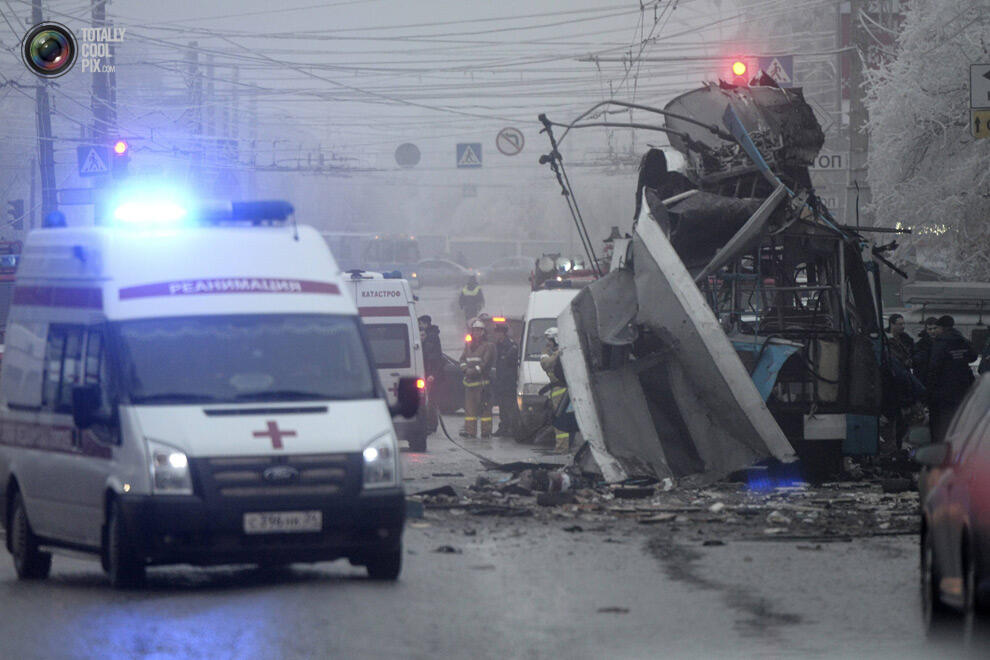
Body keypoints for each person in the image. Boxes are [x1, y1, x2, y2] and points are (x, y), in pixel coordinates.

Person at [925, 315, 977, 443]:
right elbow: (973, 356)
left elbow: (934, 367)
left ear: (942, 327)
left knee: (941, 424)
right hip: (962, 389)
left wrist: (928, 391)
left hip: (942, 392)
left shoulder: (940, 342)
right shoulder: (962, 340)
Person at [632, 148, 694, 221]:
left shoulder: (645, 178)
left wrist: (636, 216)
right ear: (664, 163)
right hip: (678, 214)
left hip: (668, 215)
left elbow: (639, 194)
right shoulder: (675, 176)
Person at [459, 319, 495, 438]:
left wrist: (473, 371)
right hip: (469, 385)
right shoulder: (468, 345)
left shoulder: (488, 346)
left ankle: (486, 432)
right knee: (470, 411)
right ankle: (470, 432)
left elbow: (485, 363)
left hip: (482, 384)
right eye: (475, 330)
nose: (477, 333)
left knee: (485, 410)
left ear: (483, 332)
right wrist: (465, 370)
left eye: (479, 330)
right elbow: (462, 360)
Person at [539, 327, 573, 453]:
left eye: (550, 340)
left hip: (560, 391)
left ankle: (561, 448)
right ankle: (563, 447)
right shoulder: (559, 352)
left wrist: (543, 354)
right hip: (558, 390)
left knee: (560, 420)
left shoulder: (559, 353)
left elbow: (546, 364)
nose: (548, 343)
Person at [491, 323, 521, 437]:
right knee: (502, 406)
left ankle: (511, 428)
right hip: (500, 381)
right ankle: (503, 427)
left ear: (503, 333)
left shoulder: (511, 346)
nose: (496, 334)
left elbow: (510, 364)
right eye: (496, 332)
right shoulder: (498, 345)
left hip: (509, 382)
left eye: (498, 332)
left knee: (509, 406)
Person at [419, 315, 443, 432]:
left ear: (426, 324)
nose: (419, 325)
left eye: (421, 323)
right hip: (430, 373)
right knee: (430, 400)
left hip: (431, 375)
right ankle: (431, 424)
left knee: (431, 400)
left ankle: (431, 425)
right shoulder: (430, 336)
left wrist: (432, 374)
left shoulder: (431, 337)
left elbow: (433, 357)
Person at [912, 316, 939, 381]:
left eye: (935, 328)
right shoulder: (920, 345)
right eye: (930, 329)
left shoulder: (943, 342)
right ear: (926, 330)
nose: (933, 331)